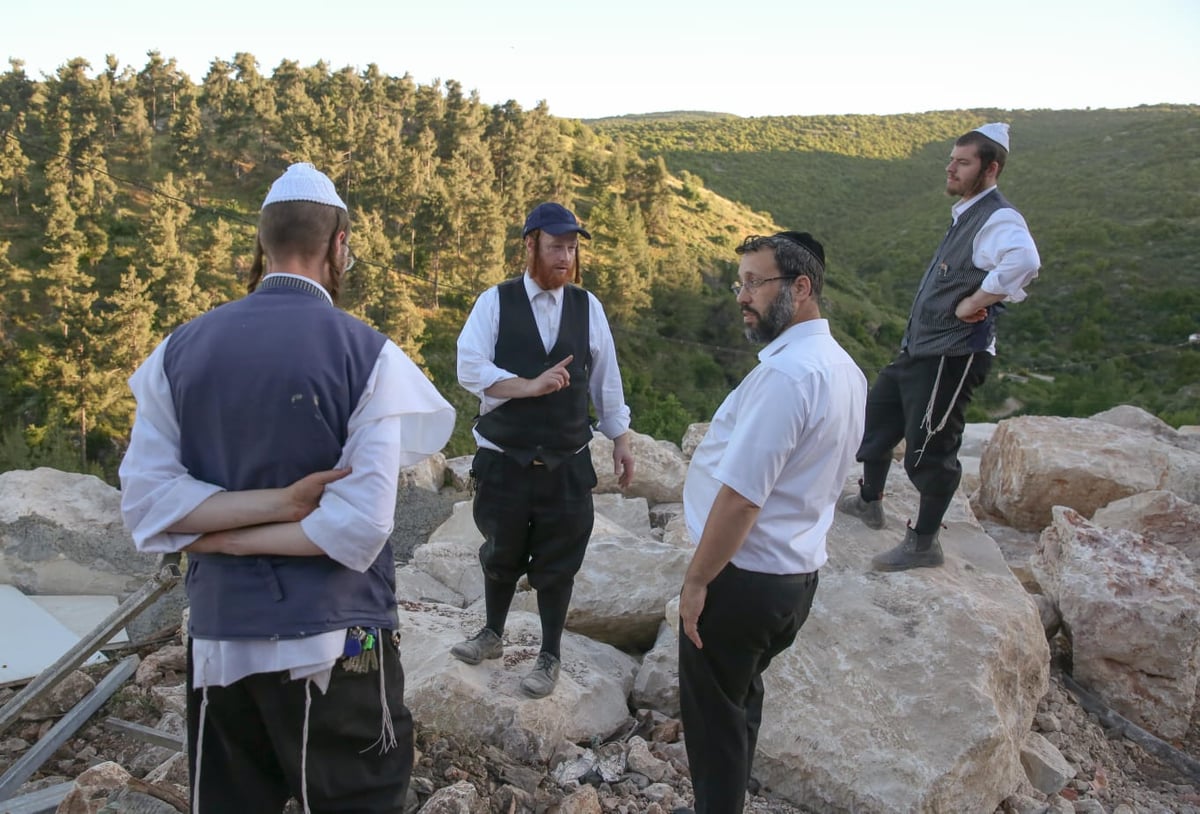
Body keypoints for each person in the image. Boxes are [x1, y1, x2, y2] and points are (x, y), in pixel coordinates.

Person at [119, 162, 456, 813]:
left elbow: (146, 502)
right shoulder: (368, 355)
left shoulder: (177, 351)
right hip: (341, 638)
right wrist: (274, 516)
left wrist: (220, 536)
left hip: (221, 636)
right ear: (340, 245)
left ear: (262, 246)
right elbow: (359, 526)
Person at [678, 232, 866, 814]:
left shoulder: (789, 377)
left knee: (713, 727)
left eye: (755, 283)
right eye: (742, 283)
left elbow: (740, 500)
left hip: (743, 579)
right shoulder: (844, 369)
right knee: (738, 703)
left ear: (801, 288)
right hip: (794, 577)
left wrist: (697, 581)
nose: (743, 296)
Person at [838, 122, 1041, 571]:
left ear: (991, 168)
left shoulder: (999, 217)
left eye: (962, 162)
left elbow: (1025, 260)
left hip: (953, 355)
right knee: (877, 419)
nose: (950, 167)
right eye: (951, 159)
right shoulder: (968, 212)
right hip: (921, 348)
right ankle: (869, 501)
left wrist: (977, 298)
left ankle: (923, 543)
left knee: (929, 448)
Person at [452, 201, 635, 698]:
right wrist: (525, 386)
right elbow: (468, 367)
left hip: (567, 461)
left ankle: (549, 654)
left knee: (559, 562)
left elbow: (605, 379)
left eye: (572, 248)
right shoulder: (495, 301)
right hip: (504, 457)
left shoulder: (587, 306)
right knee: (500, 551)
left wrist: (620, 438)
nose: (565, 257)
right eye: (556, 246)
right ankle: (491, 633)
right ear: (530, 245)